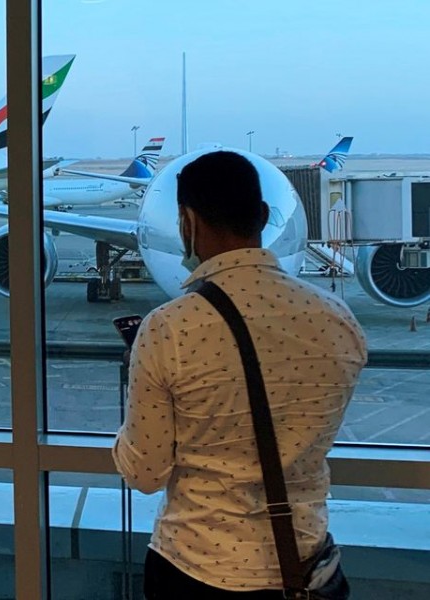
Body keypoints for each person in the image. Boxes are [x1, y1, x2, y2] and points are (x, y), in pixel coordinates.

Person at [113, 151, 367, 598]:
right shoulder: (337, 321)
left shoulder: (169, 329)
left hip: (196, 568)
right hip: (304, 568)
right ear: (264, 216)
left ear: (187, 223)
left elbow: (144, 473)